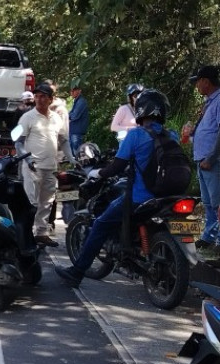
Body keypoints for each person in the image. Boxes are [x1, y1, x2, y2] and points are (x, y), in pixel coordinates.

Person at [56, 89, 175, 286]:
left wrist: (98, 173)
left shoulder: (136, 135)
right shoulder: (171, 135)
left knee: (101, 224)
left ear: (141, 111)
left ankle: (77, 272)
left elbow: (117, 166)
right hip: (168, 195)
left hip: (139, 197)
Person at [14, 81, 75, 247]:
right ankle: (25, 235)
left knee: (47, 202)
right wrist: (27, 159)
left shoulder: (56, 118)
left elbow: (63, 140)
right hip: (33, 166)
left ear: (51, 99)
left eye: (43, 97)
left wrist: (71, 158)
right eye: (37, 96)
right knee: (31, 202)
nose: (39, 100)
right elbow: (18, 142)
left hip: (51, 167)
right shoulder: (27, 117)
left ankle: (41, 233)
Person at [185, 65, 220, 248]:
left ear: (206, 81)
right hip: (203, 160)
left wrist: (212, 158)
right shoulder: (209, 102)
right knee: (208, 202)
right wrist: (192, 134)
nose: (197, 86)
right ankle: (209, 237)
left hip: (212, 161)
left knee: (218, 202)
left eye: (198, 82)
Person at [68, 79, 89, 156]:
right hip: (73, 130)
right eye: (71, 91)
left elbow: (74, 116)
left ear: (79, 91)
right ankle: (76, 166)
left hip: (77, 131)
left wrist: (67, 116)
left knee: (78, 153)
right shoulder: (77, 101)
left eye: (73, 90)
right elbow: (71, 113)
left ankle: (80, 167)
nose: (71, 92)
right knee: (73, 153)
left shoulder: (81, 101)